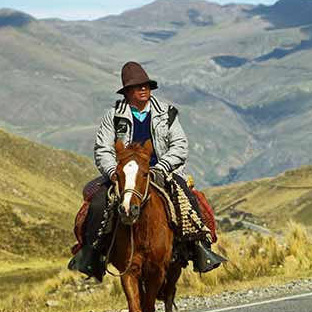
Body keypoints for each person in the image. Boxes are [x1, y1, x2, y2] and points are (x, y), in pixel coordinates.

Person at [68, 61, 225, 280]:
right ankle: (92, 253)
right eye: (137, 86)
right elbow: (103, 148)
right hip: (125, 173)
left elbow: (180, 144)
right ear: (127, 92)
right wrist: (113, 171)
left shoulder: (167, 113)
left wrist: (163, 167)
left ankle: (199, 247)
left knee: (188, 199)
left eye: (146, 85)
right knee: (97, 203)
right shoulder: (113, 116)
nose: (143, 89)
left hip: (161, 169)